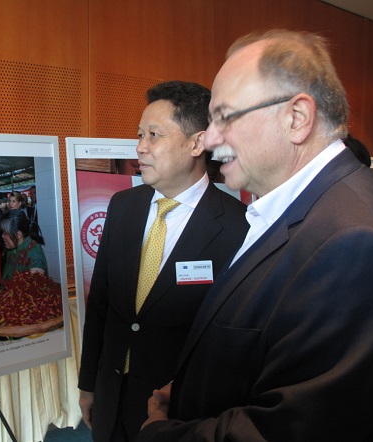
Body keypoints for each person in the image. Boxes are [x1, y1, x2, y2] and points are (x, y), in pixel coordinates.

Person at [138, 30, 373, 442]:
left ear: (296, 119)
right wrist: (192, 391)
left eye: (225, 117)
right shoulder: (305, 207)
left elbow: (295, 427)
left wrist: (160, 434)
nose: (211, 139)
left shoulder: (353, 241)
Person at [78, 80, 249, 442]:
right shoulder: (124, 207)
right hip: (111, 394)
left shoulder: (238, 226)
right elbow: (102, 305)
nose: (140, 147)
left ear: (197, 143)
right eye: (140, 134)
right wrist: (88, 383)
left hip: (177, 411)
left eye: (154, 135)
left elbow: (230, 339)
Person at [0, 209, 47, 281]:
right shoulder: (13, 248)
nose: (2, 236)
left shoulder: (34, 258)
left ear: (18, 235)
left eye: (5, 233)